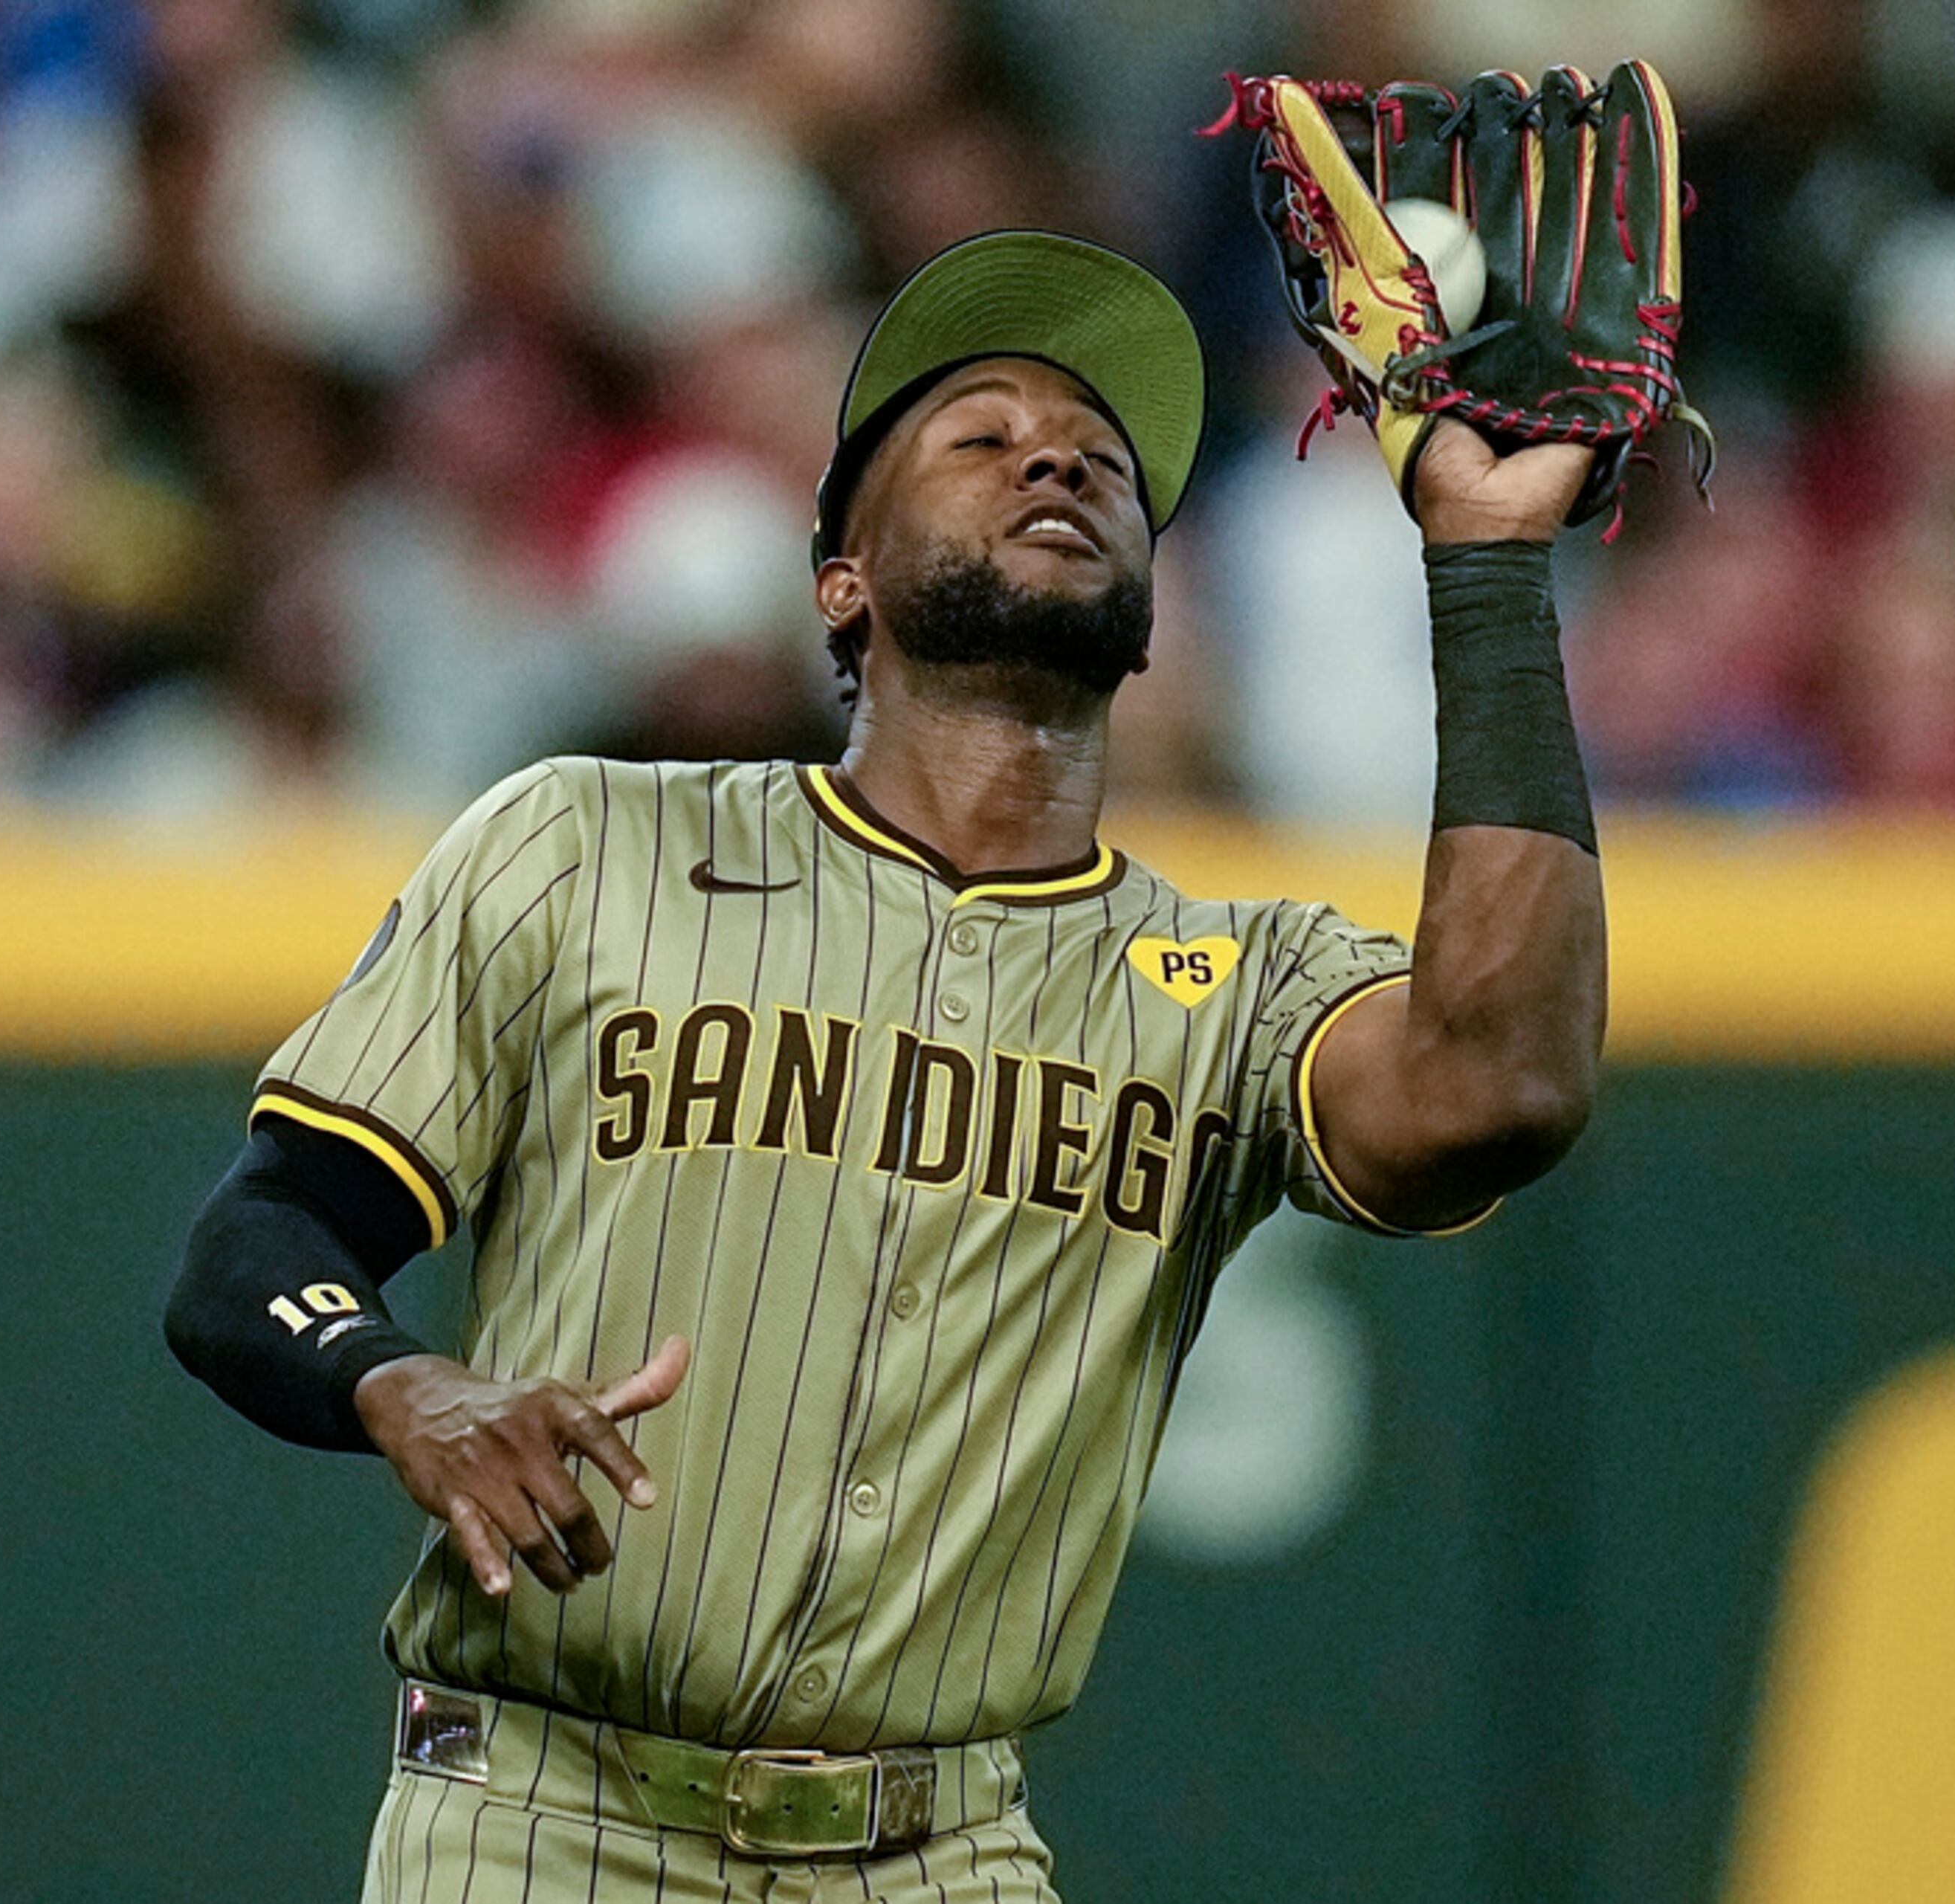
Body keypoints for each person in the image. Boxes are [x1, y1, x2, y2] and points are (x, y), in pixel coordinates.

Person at [165, 229, 1610, 1901]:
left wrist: (1493, 566)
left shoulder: (1234, 983)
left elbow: (1501, 1084)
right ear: (842, 575)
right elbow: (255, 1241)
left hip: (942, 1852)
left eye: (1097, 454)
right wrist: (400, 1383)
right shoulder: (583, 846)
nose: (1056, 452)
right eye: (979, 435)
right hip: (543, 1820)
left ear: (1148, 606)